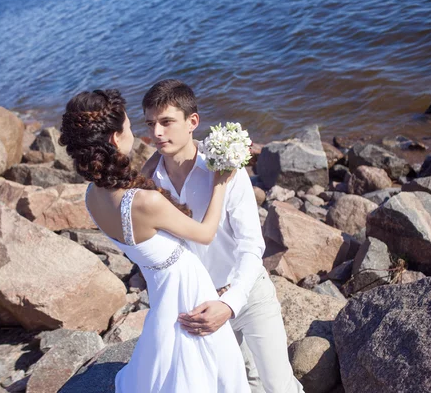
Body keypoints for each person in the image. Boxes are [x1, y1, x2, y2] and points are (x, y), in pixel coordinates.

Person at [59, 89, 249, 393]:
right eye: (131, 127)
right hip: (188, 289)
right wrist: (220, 183)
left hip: (160, 288)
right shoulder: (145, 204)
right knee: (209, 369)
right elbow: (206, 233)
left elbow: (133, 180)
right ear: (114, 139)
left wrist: (164, 151)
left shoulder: (93, 197)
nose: (141, 132)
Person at [141, 79, 304, 393]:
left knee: (278, 384)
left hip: (247, 291)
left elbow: (251, 243)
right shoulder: (151, 184)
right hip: (197, 304)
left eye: (166, 122)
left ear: (193, 122)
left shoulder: (225, 168)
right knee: (236, 385)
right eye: (150, 124)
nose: (157, 133)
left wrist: (230, 303)